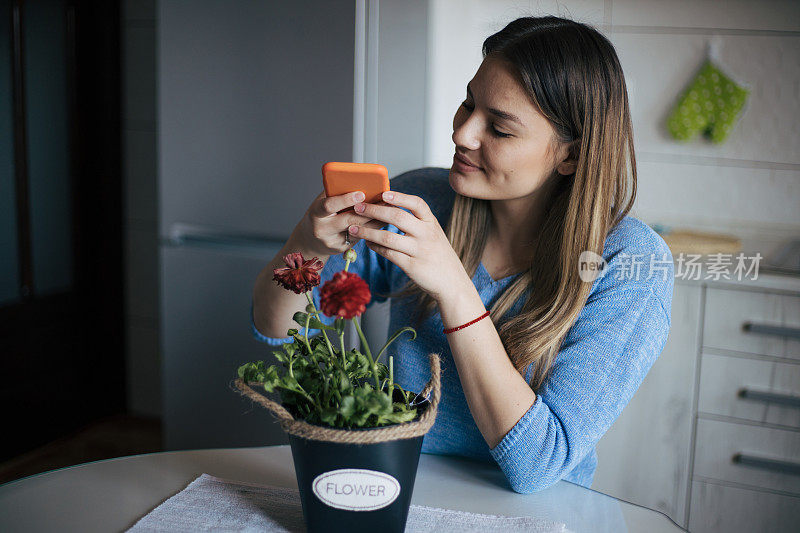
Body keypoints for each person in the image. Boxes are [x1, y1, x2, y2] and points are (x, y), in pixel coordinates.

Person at [251, 15, 673, 493]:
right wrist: (304, 246)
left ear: (570, 156)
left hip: (537, 512)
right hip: (398, 482)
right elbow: (281, 331)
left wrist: (455, 288)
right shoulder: (424, 199)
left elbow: (538, 464)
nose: (463, 134)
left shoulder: (630, 263)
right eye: (468, 105)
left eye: (499, 128)